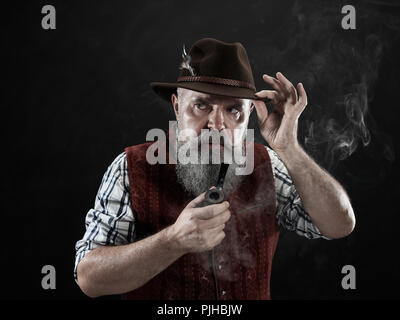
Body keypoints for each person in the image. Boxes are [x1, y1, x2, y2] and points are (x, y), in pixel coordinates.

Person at [74, 38, 355, 300]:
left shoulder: (269, 165)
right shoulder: (130, 167)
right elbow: (89, 278)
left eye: (234, 110)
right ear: (176, 106)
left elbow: (339, 224)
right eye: (201, 105)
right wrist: (173, 241)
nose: (217, 124)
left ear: (249, 116)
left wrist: (289, 149)